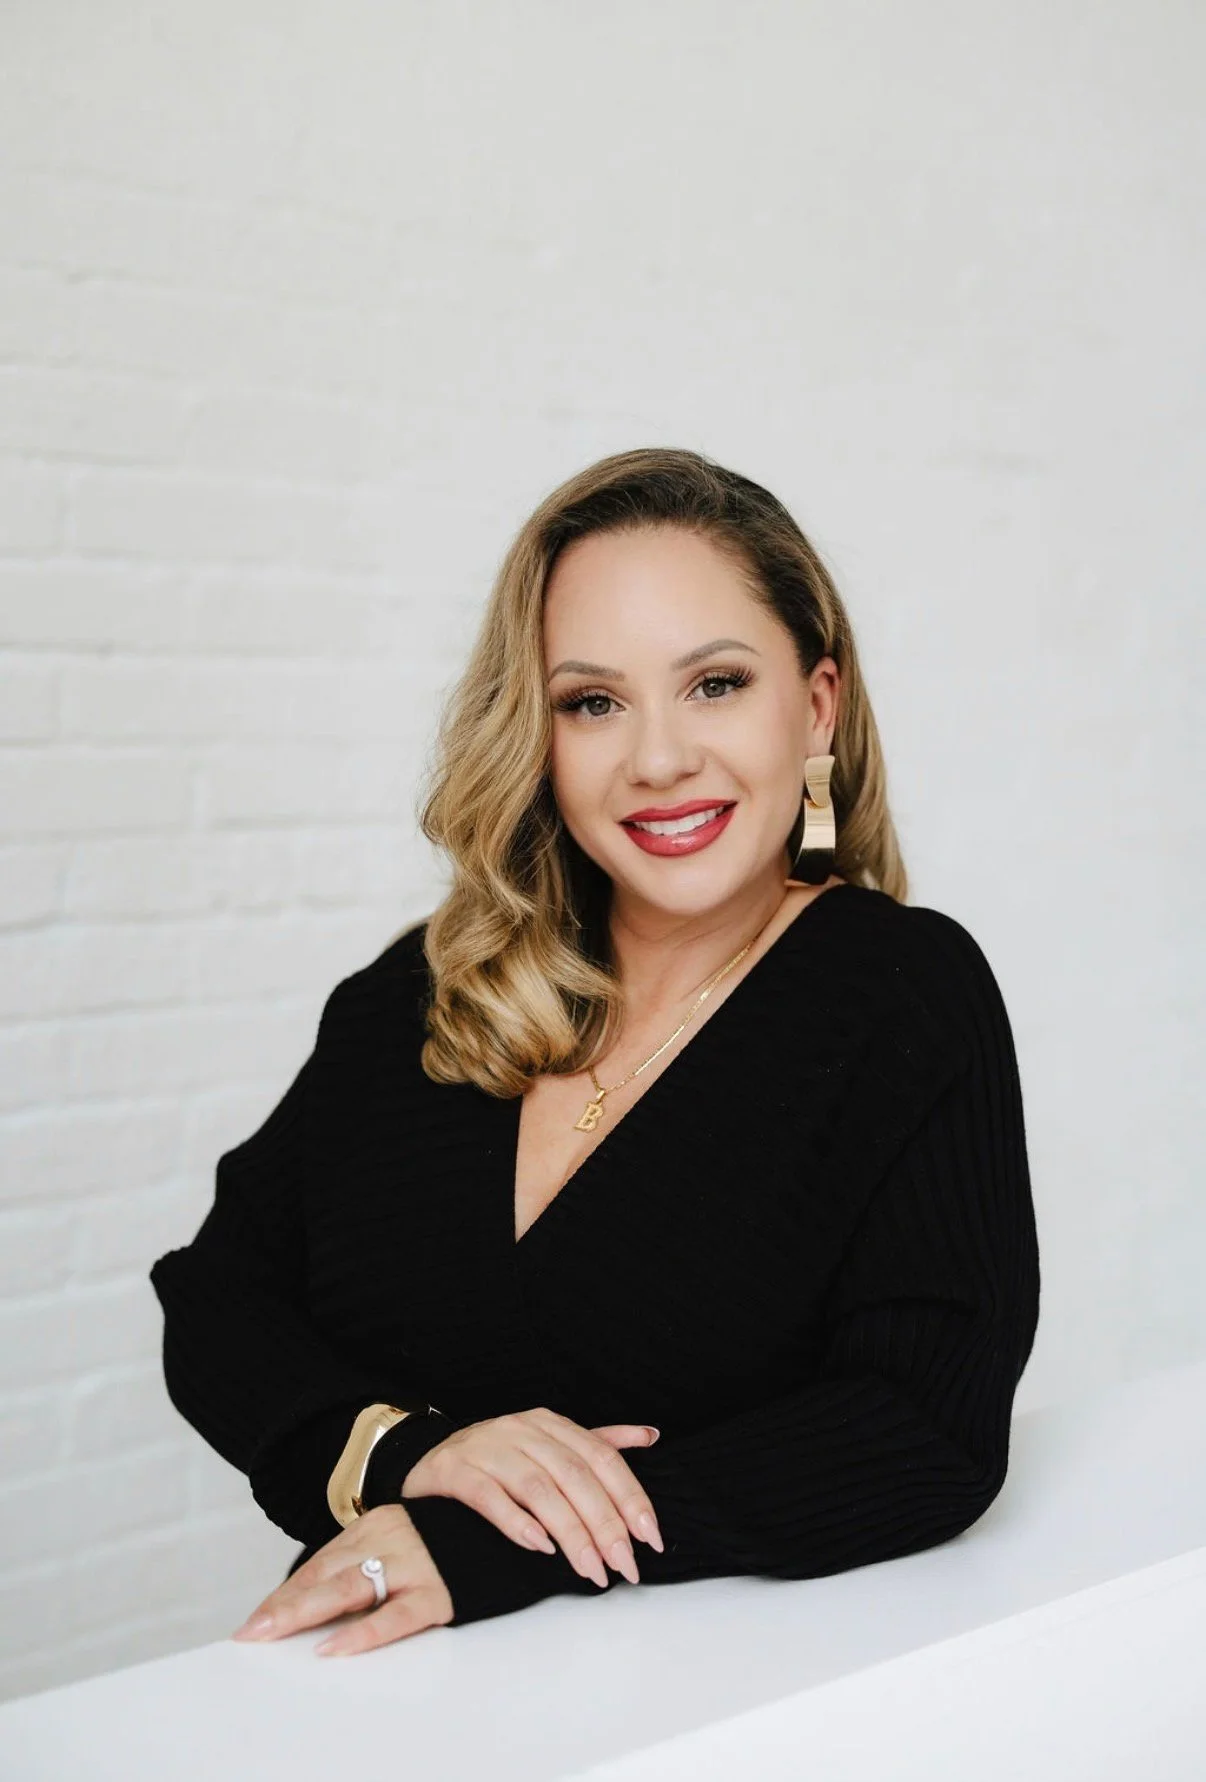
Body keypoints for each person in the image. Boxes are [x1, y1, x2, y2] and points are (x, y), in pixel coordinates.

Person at [150, 446, 1040, 1658]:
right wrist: (406, 1455)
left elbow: (924, 1427)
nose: (658, 759)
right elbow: (215, 1296)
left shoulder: (898, 995)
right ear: (540, 733)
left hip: (710, 1723)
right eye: (593, 702)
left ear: (817, 704)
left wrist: (496, 1541)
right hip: (365, 1708)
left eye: (716, 684)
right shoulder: (427, 991)